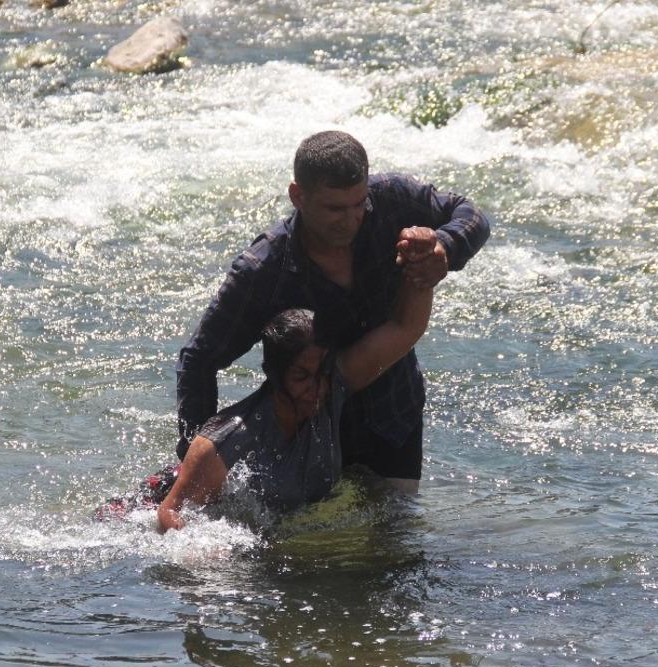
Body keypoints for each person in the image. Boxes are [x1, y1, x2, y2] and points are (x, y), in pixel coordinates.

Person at [175, 131, 489, 492]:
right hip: (307, 428)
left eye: (359, 204)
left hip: (393, 411)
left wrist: (445, 247)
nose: (351, 219)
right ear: (298, 196)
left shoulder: (391, 199)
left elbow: (472, 214)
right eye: (334, 209)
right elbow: (199, 361)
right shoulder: (263, 271)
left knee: (397, 521)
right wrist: (194, 464)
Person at [157, 271, 432, 533]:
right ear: (273, 374)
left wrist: (425, 270)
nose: (316, 389)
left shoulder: (333, 389)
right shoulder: (226, 441)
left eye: (323, 373)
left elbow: (406, 328)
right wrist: (206, 550)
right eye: (301, 376)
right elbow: (170, 511)